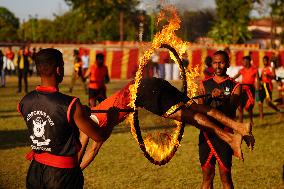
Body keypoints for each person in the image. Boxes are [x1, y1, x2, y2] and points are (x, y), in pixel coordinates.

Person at [78, 77, 254, 170]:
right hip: (148, 82)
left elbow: (89, 151)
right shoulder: (92, 114)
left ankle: (231, 139)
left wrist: (75, 172)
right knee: (195, 108)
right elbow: (82, 149)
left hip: (146, 94)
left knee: (189, 116)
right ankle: (239, 127)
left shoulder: (94, 128)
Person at [17, 48, 115, 189]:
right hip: (61, 176)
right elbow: (99, 136)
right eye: (62, 65)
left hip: (35, 172)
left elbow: (50, 118)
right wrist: (111, 119)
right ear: (58, 70)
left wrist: (79, 114)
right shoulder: (70, 104)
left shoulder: (24, 101)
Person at [197, 50, 244, 189]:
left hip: (225, 134)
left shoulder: (235, 86)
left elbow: (231, 110)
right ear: (212, 64)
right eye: (215, 63)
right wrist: (201, 100)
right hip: (207, 134)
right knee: (207, 175)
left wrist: (224, 97)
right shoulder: (203, 84)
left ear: (228, 64)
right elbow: (200, 112)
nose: (218, 66)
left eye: (221, 62)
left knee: (225, 176)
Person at [233, 56, 260, 124]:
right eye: (243, 61)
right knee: (240, 106)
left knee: (249, 106)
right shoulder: (242, 70)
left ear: (248, 61)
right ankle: (240, 122)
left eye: (244, 61)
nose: (243, 62)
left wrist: (258, 89)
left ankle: (251, 121)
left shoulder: (255, 70)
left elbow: (258, 80)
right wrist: (229, 79)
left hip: (250, 89)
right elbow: (235, 76)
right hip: (242, 89)